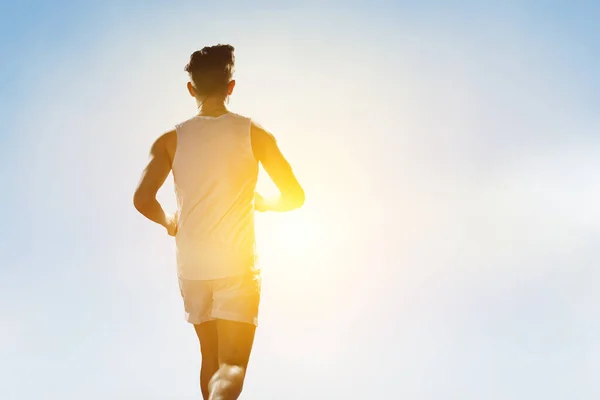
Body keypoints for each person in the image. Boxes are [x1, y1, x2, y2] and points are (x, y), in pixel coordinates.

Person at [133, 44, 305, 400]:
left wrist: (170, 222)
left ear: (191, 89)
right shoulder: (255, 134)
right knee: (232, 365)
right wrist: (264, 204)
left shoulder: (169, 140)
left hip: (193, 265)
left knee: (209, 357)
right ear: (231, 86)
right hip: (237, 263)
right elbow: (295, 196)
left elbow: (142, 199)